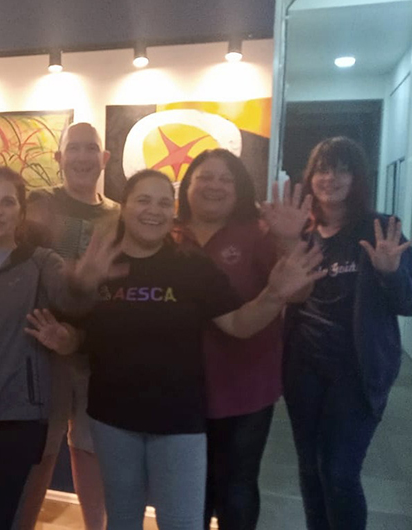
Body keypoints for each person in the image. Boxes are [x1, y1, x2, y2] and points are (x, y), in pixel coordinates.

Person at [28, 169, 326, 530]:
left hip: (178, 422)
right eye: (143, 200)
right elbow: (84, 336)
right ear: (124, 207)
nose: (153, 210)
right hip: (111, 418)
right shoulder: (102, 264)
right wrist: (70, 324)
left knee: (182, 523)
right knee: (122, 521)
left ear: (173, 211)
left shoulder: (191, 265)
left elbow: (238, 324)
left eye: (163, 202)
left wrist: (274, 294)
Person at [0, 167, 120, 529]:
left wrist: (85, 282)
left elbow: (73, 305)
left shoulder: (42, 263)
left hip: (21, 418)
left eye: (7, 202)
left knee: (1, 519)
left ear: (20, 212)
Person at [174, 149, 310, 530]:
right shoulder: (168, 234)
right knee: (191, 489)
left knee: (237, 487)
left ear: (239, 191)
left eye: (226, 179)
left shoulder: (257, 234)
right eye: (205, 177)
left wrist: (289, 240)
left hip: (245, 386)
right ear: (187, 185)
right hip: (179, 388)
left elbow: (298, 291)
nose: (214, 185)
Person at [282, 137, 412, 530]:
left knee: (338, 470)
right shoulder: (301, 233)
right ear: (311, 177)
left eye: (342, 169)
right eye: (323, 169)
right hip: (303, 366)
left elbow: (407, 302)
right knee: (309, 468)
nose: (331, 178)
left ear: (357, 178)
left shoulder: (381, 229)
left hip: (357, 369)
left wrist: (390, 273)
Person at [19, 122, 117, 530]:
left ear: (104, 158)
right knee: (42, 449)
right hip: (42, 346)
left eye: (90, 148)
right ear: (58, 157)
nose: (82, 156)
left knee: (89, 447)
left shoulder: (119, 215)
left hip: (97, 351)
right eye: (73, 148)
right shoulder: (38, 203)